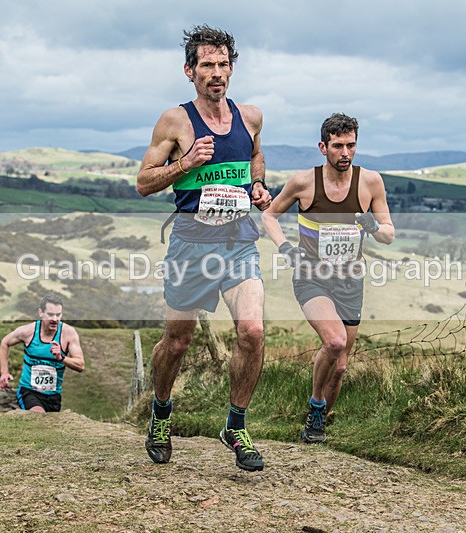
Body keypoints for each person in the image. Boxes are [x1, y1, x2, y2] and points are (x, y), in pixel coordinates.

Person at [136, 24, 272, 472]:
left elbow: (255, 154)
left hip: (238, 242)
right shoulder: (175, 121)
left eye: (223, 64)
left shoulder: (249, 116)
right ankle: (160, 410)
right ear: (189, 71)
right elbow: (143, 183)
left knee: (252, 332)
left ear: (232, 68)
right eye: (207, 65)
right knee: (177, 342)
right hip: (190, 245)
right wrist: (185, 163)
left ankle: (235, 425)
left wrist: (257, 184)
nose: (216, 73)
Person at [261, 113, 395, 443]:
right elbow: (269, 215)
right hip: (311, 277)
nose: (345, 153)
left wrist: (372, 227)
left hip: (350, 281)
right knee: (334, 342)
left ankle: (317, 424)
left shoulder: (371, 183)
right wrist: (285, 248)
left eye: (351, 145)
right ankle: (316, 404)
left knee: (341, 366)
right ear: (323, 147)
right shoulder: (304, 182)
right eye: (338, 146)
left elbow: (389, 234)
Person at [0, 293, 85, 413]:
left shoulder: (69, 333)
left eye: (58, 315)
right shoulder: (28, 331)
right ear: (41, 313)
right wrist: (4, 372)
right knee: (38, 415)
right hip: (28, 391)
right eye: (50, 315)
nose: (55, 319)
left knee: (46, 427)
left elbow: (80, 365)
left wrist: (61, 357)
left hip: (53, 396)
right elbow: (5, 342)